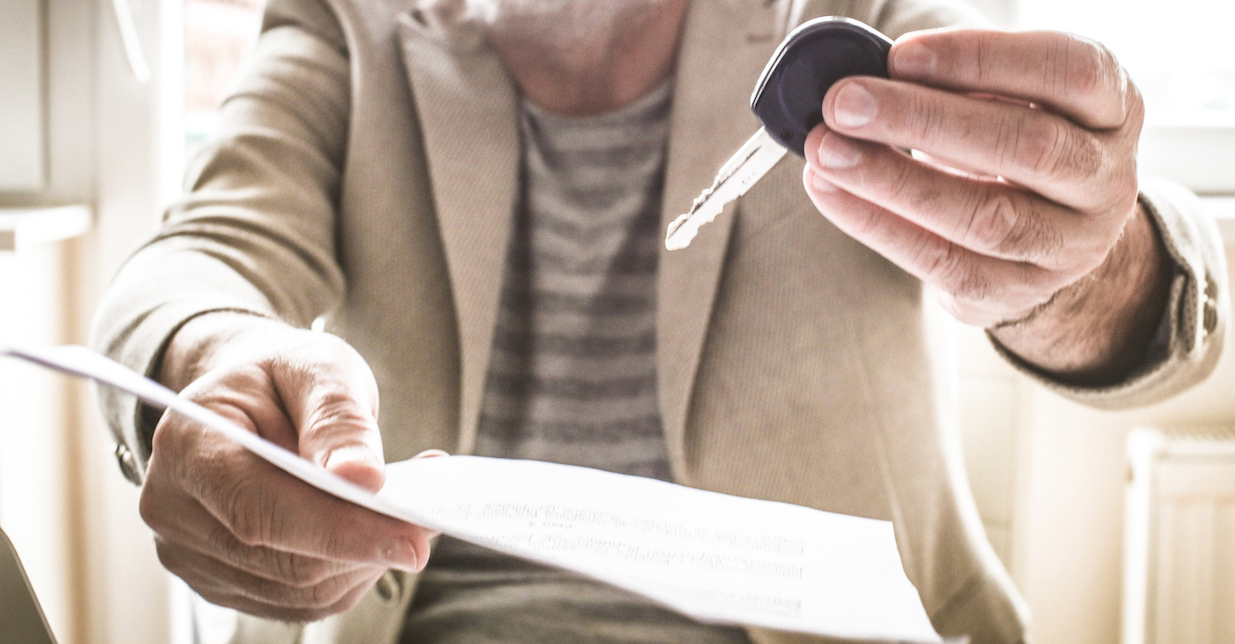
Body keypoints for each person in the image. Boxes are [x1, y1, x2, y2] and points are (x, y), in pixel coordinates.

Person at [91, 0, 1227, 642]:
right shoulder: (347, 29)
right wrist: (216, 358)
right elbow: (195, 257)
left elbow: (1142, 301)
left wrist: (1067, 274)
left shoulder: (841, 17)